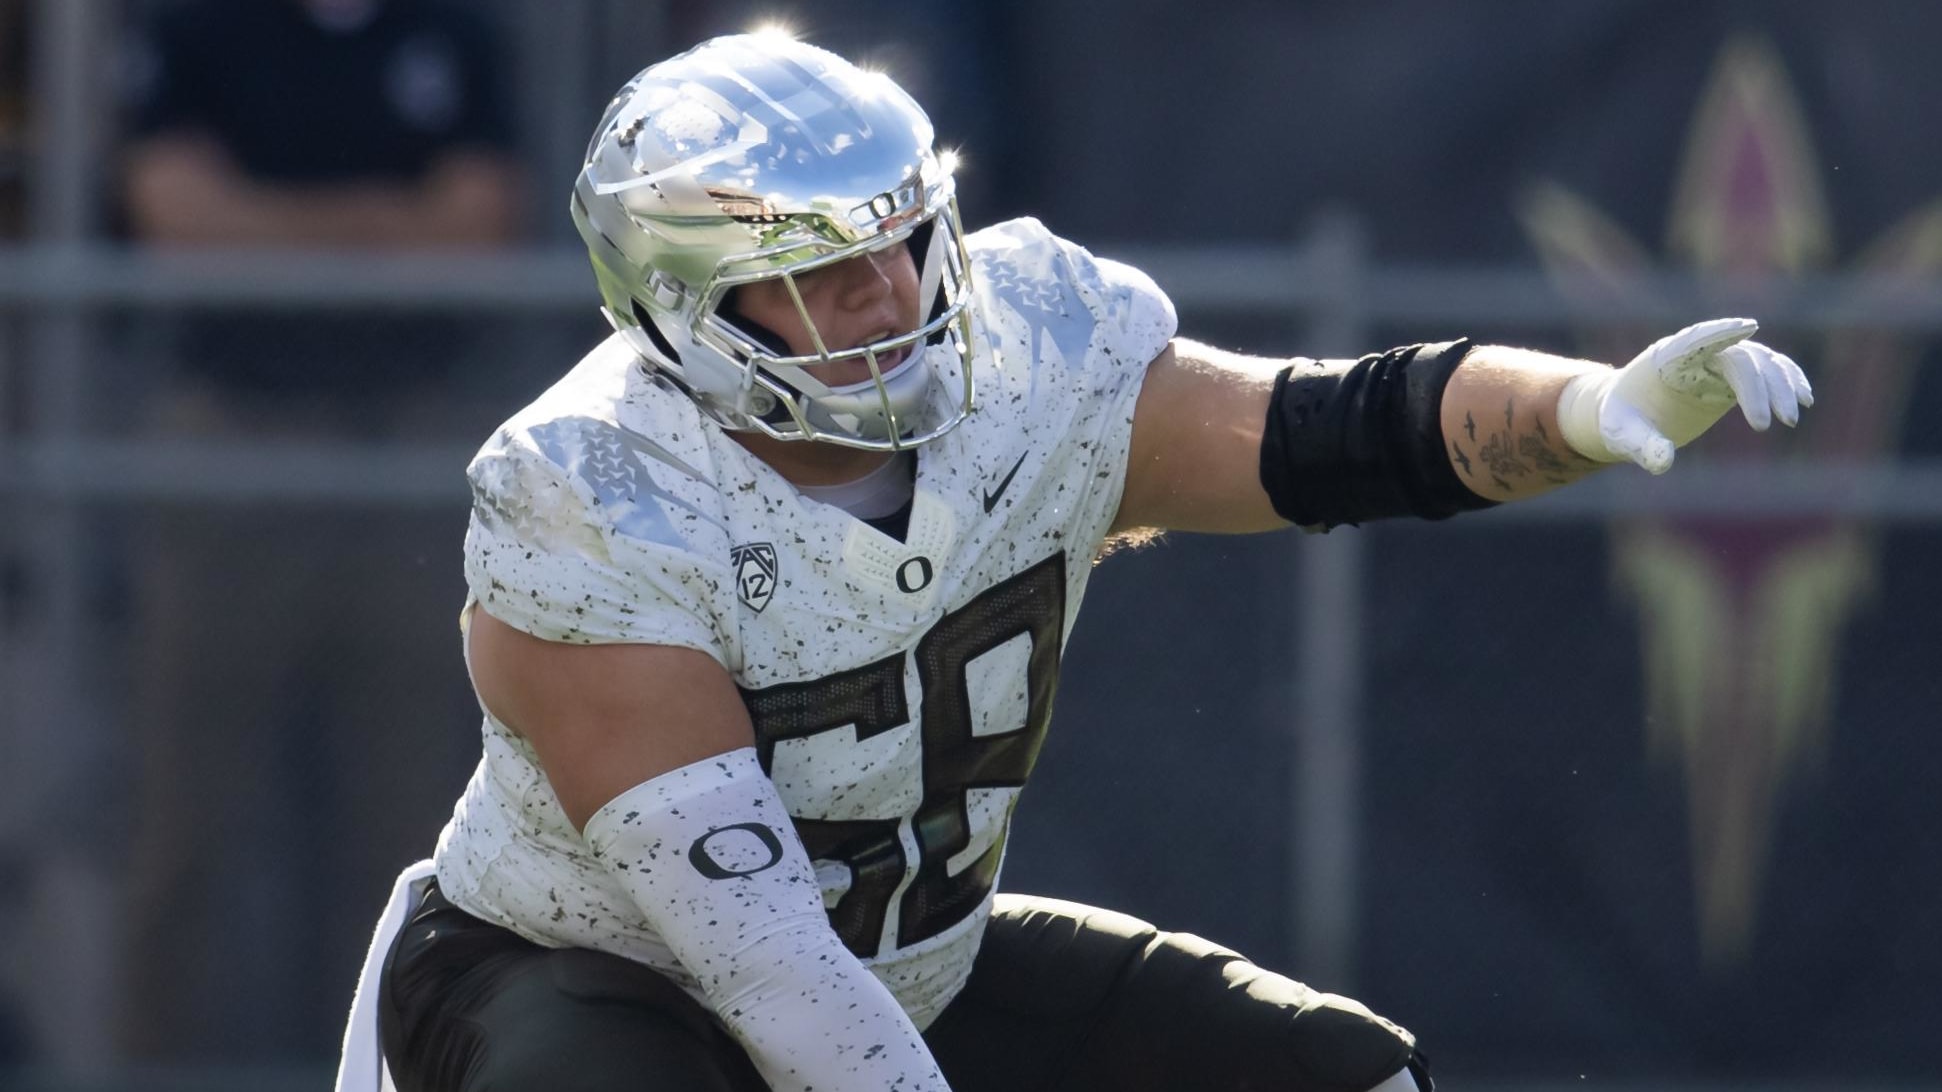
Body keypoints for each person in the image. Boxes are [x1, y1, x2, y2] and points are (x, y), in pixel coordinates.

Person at [336, 31, 1813, 1092]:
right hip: (581, 980)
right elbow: (761, 964)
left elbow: (1321, 431)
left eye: (903, 237)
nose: (885, 290)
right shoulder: (587, 494)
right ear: (677, 305)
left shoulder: (1029, 354)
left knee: (1343, 1078)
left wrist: (1587, 407)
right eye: (815, 266)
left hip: (912, 966)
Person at [118, 0, 523, 1061]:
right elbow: (176, 221)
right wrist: (394, 223)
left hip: (415, 452)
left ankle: (387, 1076)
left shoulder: (457, 28)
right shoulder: (194, 27)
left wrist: (270, 221)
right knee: (183, 834)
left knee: (413, 839)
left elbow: (478, 226)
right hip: (231, 446)